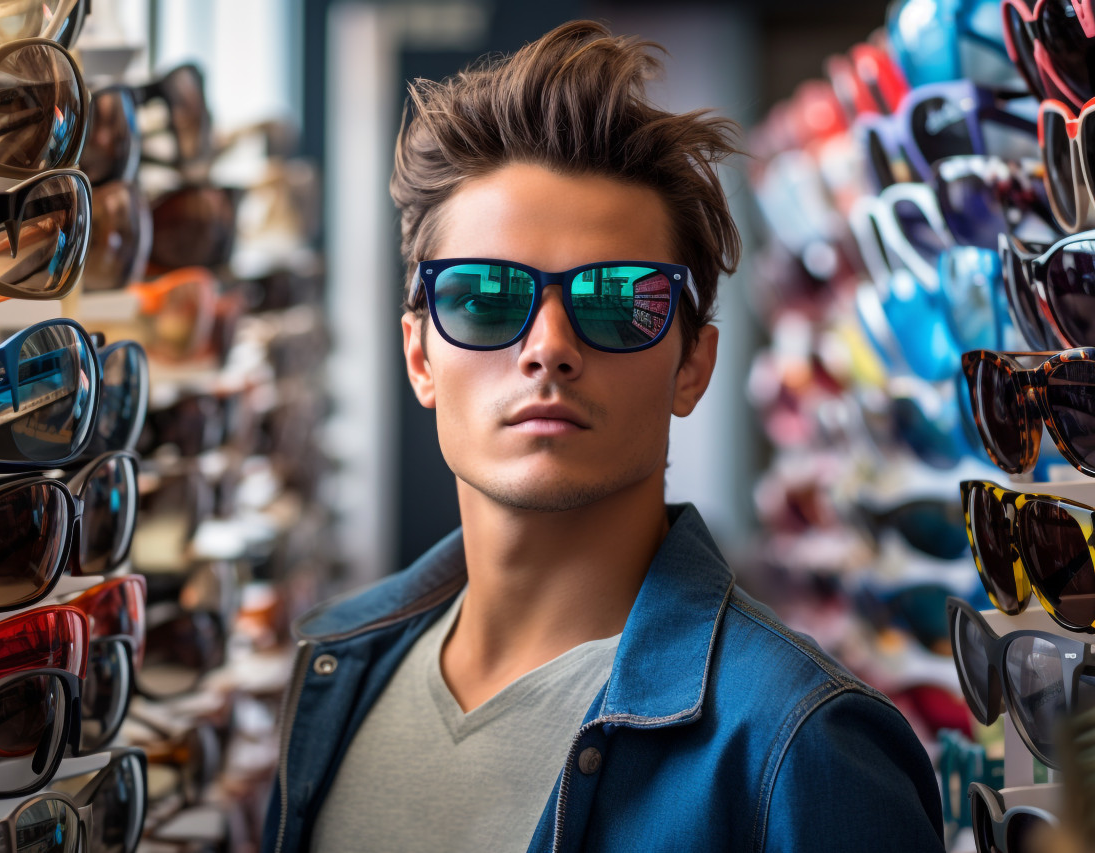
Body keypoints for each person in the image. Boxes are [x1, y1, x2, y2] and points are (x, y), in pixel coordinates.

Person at [263, 20, 945, 853]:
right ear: (420, 356)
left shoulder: (799, 745)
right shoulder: (336, 667)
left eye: (617, 301)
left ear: (692, 363)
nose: (548, 346)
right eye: (484, 298)